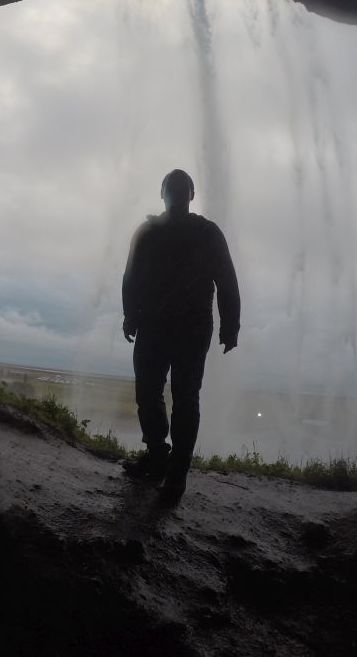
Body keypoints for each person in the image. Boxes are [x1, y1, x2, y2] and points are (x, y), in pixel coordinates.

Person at [121, 169, 240, 504]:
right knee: (147, 392)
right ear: (162, 194)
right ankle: (157, 455)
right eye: (170, 188)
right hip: (152, 326)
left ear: (191, 194)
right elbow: (131, 276)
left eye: (181, 188)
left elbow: (227, 281)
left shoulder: (208, 233)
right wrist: (130, 314)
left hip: (192, 329)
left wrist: (232, 325)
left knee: (185, 399)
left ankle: (177, 474)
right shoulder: (146, 232)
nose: (175, 193)